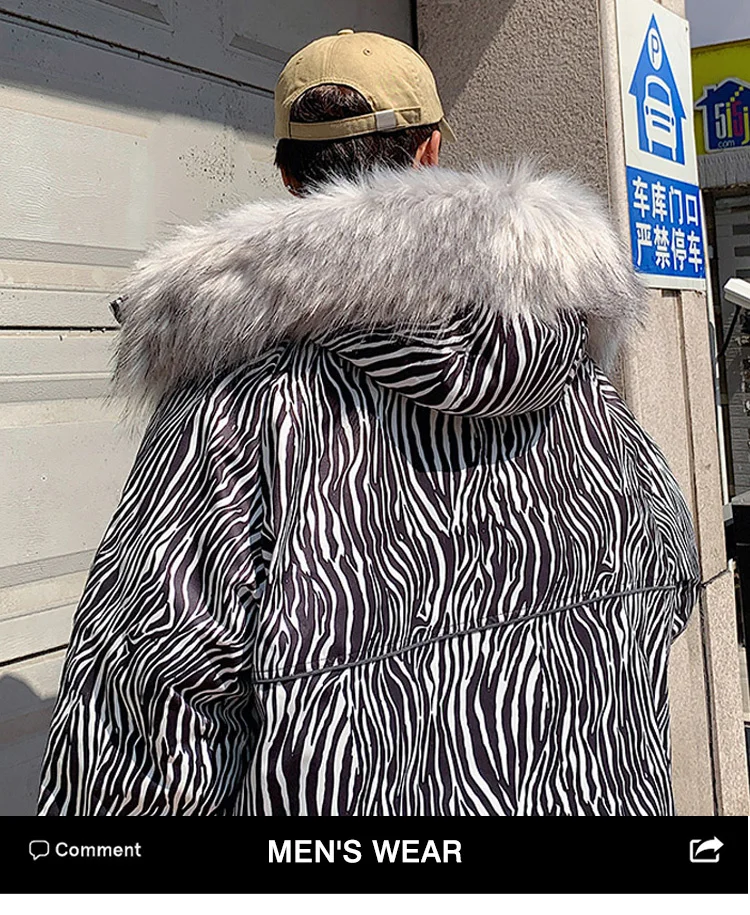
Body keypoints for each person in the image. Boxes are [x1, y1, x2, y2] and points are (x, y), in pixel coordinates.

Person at [38, 29, 701, 816]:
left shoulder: (238, 404)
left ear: (288, 174)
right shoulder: (577, 384)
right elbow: (669, 572)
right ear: (432, 151)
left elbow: (145, 699)